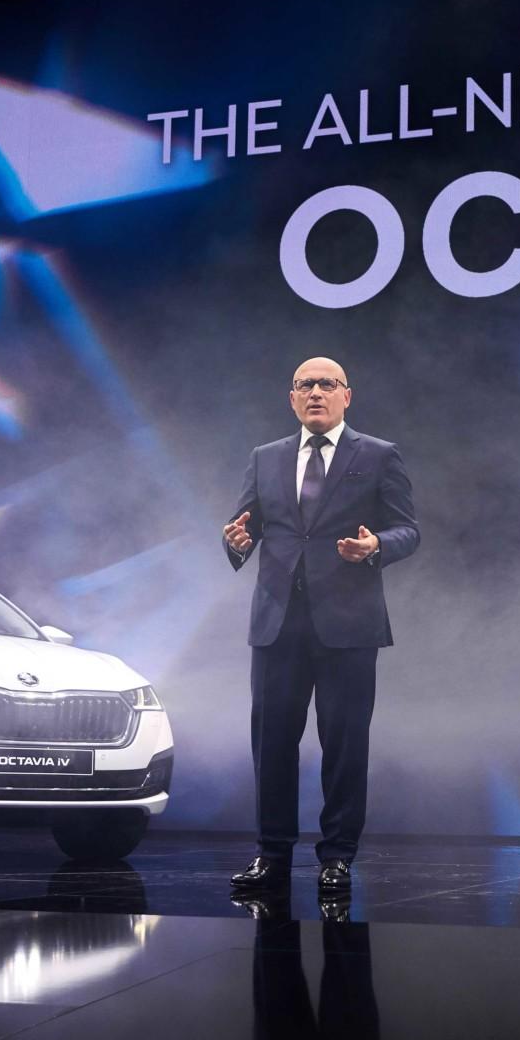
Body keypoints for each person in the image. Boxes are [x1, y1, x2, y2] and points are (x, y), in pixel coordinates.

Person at [224, 357, 420, 895]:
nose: (315, 392)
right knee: (272, 745)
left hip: (348, 627)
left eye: (326, 384)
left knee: (345, 746)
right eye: (304, 385)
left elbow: (408, 530)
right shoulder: (265, 457)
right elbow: (244, 527)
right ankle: (272, 857)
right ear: (291, 398)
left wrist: (376, 545)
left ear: (346, 396)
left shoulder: (378, 455)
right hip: (277, 625)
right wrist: (234, 543)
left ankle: (337, 857)